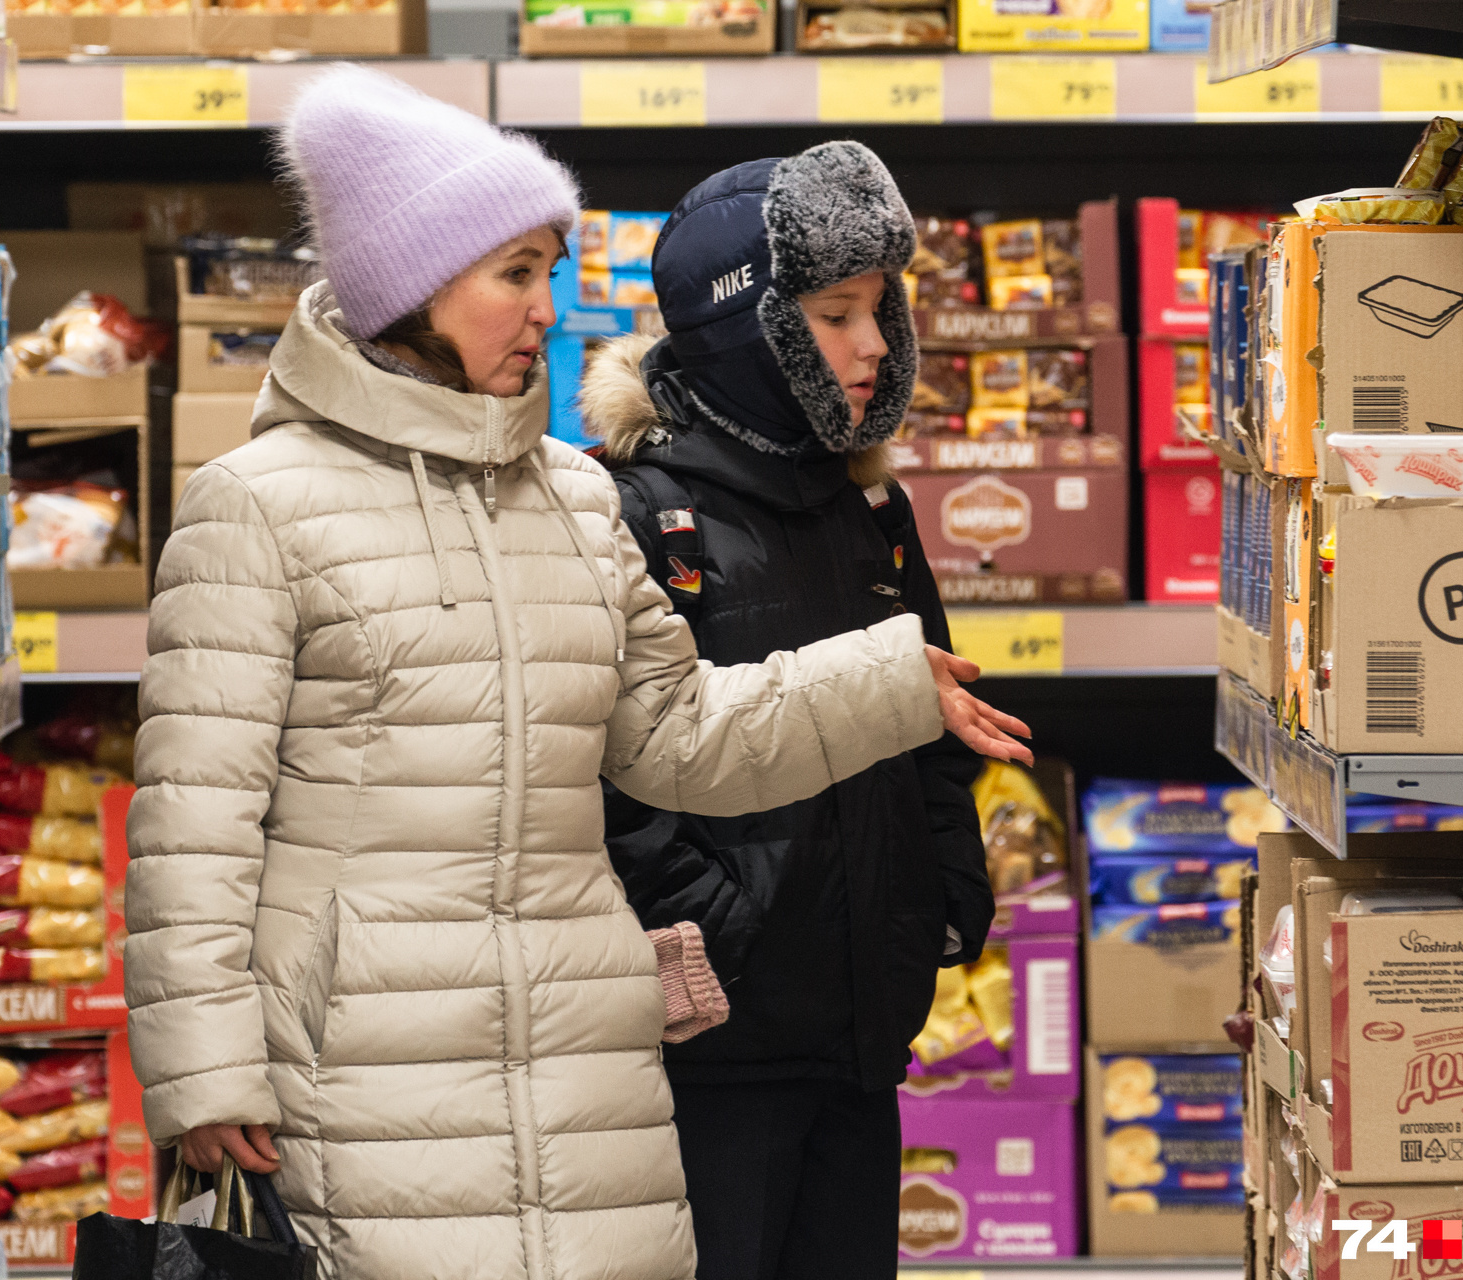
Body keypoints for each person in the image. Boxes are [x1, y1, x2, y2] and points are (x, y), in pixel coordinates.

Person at [126, 67, 1031, 1280]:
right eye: (514, 274)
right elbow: (195, 824)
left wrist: (886, 681)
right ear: (409, 284)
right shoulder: (256, 505)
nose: (547, 310)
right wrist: (203, 1065)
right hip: (364, 1074)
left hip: (585, 1073)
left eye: (550, 271)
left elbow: (677, 732)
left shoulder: (574, 492)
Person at [583, 143, 1015, 1280]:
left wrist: (944, 889)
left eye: (880, 310)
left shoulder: (869, 504)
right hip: (711, 1053)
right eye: (835, 313)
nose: (873, 346)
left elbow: (934, 713)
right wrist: (712, 925)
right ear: (749, 325)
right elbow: (603, 772)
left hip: (864, 1031)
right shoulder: (628, 511)